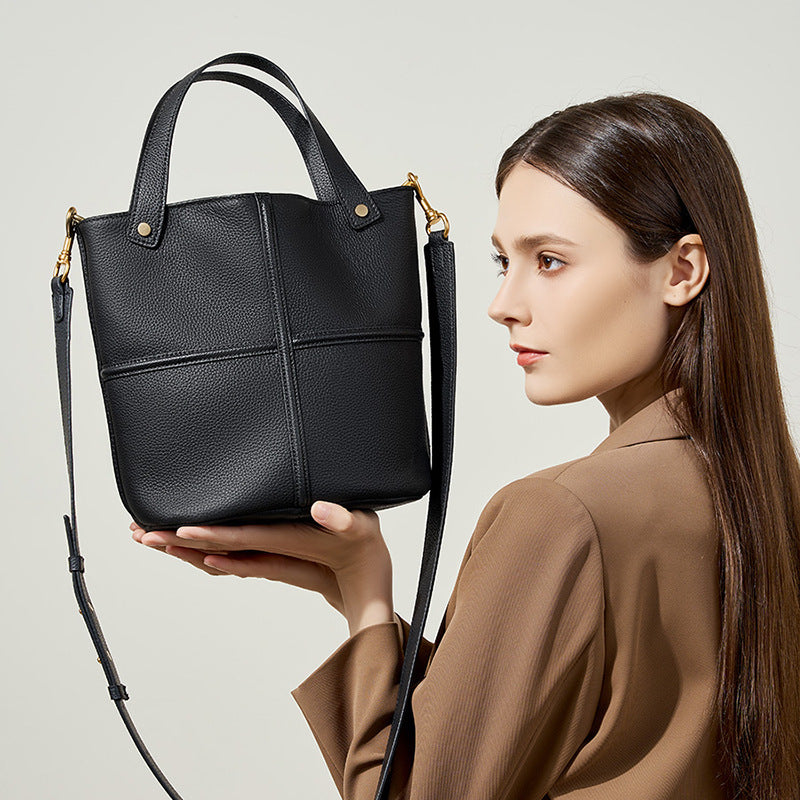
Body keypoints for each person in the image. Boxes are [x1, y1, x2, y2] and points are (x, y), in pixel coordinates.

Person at [130, 92, 800, 800]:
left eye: (549, 261)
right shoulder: (769, 494)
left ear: (682, 270)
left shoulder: (562, 515)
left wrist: (365, 595)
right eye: (501, 261)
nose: (503, 303)